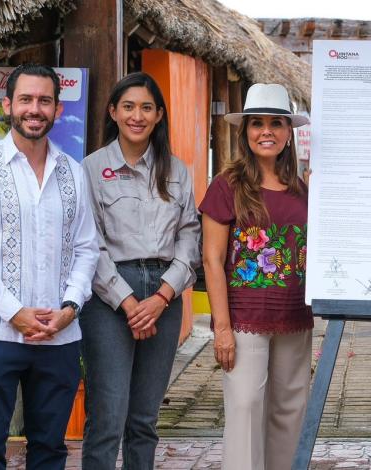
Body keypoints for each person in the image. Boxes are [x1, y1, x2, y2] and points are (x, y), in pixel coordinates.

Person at [0, 64, 99, 469]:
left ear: (56, 109)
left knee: (50, 450)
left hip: (59, 336)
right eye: (26, 99)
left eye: (44, 101)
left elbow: (87, 248)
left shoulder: (73, 172)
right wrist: (14, 313)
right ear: (7, 105)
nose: (35, 109)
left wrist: (71, 307)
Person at [79, 72, 201, 469]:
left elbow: (189, 237)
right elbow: (88, 244)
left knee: (145, 420)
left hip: (164, 296)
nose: (137, 115)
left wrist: (163, 295)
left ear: (159, 115)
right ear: (113, 111)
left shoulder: (177, 171)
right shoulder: (92, 170)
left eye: (147, 107)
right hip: (109, 297)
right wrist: (129, 301)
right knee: (107, 417)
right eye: (128, 106)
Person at [199, 83, 311, 470]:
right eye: (257, 123)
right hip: (244, 322)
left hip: (295, 319)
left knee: (289, 411)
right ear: (245, 131)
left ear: (288, 132)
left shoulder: (303, 190)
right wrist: (222, 328)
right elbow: (212, 260)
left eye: (276, 123)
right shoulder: (226, 186)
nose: (267, 131)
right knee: (245, 410)